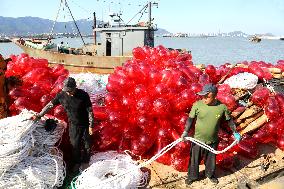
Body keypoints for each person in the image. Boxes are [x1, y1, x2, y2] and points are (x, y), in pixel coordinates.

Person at [181, 83, 241, 186]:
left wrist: (235, 132)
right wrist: (186, 131)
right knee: (194, 160)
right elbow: (190, 120)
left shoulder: (222, 107)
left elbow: (229, 120)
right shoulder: (197, 105)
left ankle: (210, 175)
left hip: (212, 141)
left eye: (207, 97)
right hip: (198, 140)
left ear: (214, 96)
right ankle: (192, 176)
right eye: (203, 96)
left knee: (211, 161)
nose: (204, 99)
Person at [31, 77, 95, 173]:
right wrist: (40, 115)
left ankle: (85, 161)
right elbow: (50, 105)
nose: (68, 93)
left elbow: (90, 111)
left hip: (85, 124)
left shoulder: (83, 95)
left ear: (75, 88)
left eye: (70, 91)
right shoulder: (61, 95)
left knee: (87, 144)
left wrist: (91, 125)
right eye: (67, 91)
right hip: (73, 125)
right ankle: (77, 162)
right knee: (75, 145)